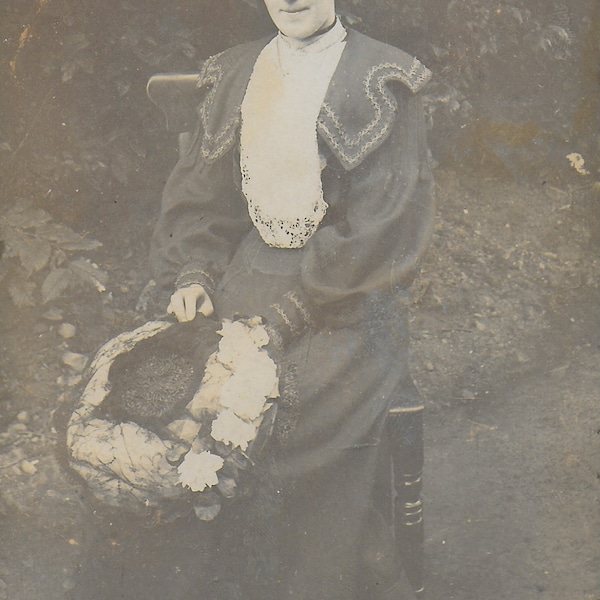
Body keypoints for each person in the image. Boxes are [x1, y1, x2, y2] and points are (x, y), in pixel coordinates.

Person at [149, 1, 435, 598]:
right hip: (247, 279)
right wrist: (195, 275)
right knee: (191, 407)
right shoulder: (232, 74)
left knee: (280, 415)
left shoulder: (384, 81)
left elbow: (383, 229)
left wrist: (292, 315)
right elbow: (203, 200)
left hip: (349, 299)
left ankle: (320, 577)